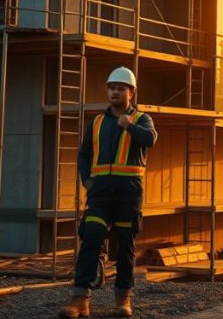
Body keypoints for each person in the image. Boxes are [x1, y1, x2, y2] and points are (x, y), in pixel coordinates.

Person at [58, 67, 157, 319]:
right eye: (112, 87)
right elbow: (83, 155)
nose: (115, 91)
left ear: (131, 93)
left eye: (121, 88)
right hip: (100, 192)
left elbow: (150, 140)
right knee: (91, 239)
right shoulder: (97, 122)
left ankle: (122, 298)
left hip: (128, 193)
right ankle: (80, 299)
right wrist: (87, 181)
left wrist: (129, 127)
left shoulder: (141, 119)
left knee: (125, 246)